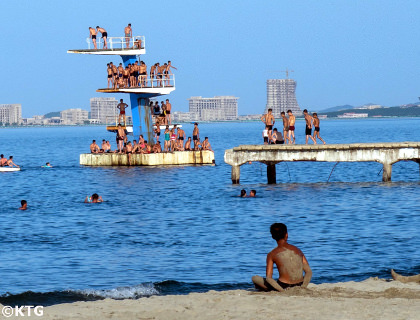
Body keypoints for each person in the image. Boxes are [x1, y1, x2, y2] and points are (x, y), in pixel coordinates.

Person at [252, 223, 312, 291]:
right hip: (300, 284)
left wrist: (282, 291)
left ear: (272, 236)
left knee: (255, 278)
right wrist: (303, 287)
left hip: (283, 286)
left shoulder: (272, 254)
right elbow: (309, 272)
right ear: (286, 235)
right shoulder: (298, 250)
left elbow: (269, 278)